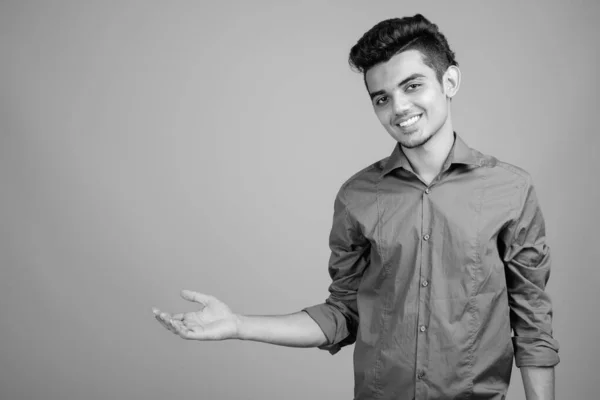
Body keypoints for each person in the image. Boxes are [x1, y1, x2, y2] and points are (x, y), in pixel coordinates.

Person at [152, 14, 559, 400]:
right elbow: (343, 313)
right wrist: (239, 325)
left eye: (412, 85)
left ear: (449, 80)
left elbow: (531, 320)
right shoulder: (357, 196)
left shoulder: (510, 188)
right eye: (382, 98)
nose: (398, 108)